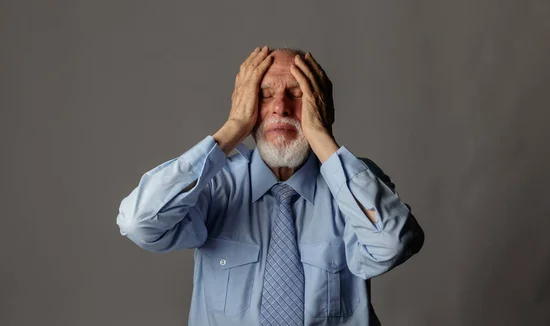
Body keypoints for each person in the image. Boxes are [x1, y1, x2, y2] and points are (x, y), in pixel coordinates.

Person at [116, 46, 425, 326]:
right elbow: (140, 223)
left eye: (297, 94)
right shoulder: (215, 185)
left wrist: (320, 135)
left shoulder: (354, 182)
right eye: (264, 95)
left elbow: (392, 245)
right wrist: (233, 128)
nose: (281, 107)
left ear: (321, 106)